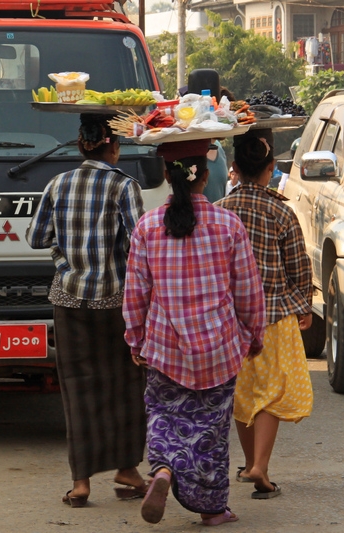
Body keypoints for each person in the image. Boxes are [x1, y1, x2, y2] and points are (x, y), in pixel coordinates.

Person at [122, 138, 266, 526]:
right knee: (211, 429)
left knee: (164, 415)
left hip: (165, 348)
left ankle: (164, 469)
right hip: (219, 348)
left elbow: (135, 293)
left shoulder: (148, 226)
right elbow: (248, 291)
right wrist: (254, 336)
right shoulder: (228, 225)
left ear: (168, 176)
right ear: (205, 176)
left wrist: (135, 339)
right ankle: (212, 509)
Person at [26, 113, 148, 508]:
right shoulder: (124, 186)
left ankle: (80, 483)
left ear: (81, 144)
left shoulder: (57, 185)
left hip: (68, 300)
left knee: (78, 389)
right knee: (125, 386)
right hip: (114, 301)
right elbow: (139, 244)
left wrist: (65, 253)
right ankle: (127, 471)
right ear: (113, 146)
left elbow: (36, 238)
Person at [215, 129, 314, 500]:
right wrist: (304, 304)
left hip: (231, 319)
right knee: (271, 392)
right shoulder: (281, 210)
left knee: (243, 393)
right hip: (275, 316)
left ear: (234, 168)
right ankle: (261, 467)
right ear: (271, 168)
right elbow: (298, 267)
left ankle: (247, 462)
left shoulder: (220, 212)